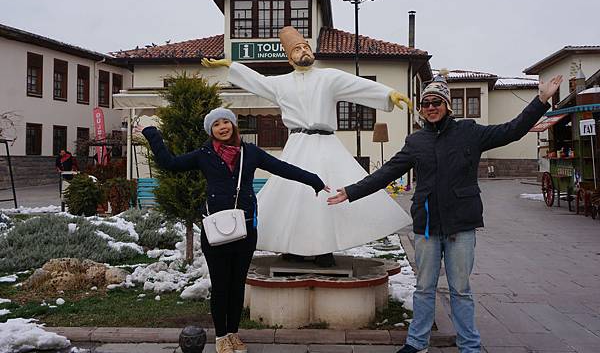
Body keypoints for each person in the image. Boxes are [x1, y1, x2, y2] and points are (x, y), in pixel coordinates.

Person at [327, 72, 563, 353]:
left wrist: (541, 100)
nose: (430, 107)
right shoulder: (416, 142)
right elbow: (387, 172)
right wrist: (351, 191)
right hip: (427, 225)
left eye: (436, 102)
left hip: (460, 226)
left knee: (460, 290)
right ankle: (417, 342)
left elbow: (511, 130)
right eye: (426, 103)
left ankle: (470, 346)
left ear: (447, 105)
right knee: (424, 287)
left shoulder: (470, 132)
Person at [202, 26, 413, 267]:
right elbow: (257, 81)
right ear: (289, 57)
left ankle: (324, 248)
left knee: (325, 196)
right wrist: (231, 66)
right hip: (298, 144)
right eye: (297, 49)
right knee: (294, 198)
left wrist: (389, 94)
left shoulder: (329, 77)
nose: (303, 51)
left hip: (325, 144)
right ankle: (293, 247)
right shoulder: (280, 84)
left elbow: (358, 85)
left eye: (305, 47)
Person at [138, 107, 329, 353]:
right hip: (216, 230)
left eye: (225, 122)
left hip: (246, 228)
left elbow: (282, 168)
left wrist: (314, 180)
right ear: (211, 131)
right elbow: (169, 163)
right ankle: (220, 337)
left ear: (233, 125)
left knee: (237, 284)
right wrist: (151, 133)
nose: (222, 127)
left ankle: (233, 334)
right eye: (216, 124)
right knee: (220, 285)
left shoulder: (250, 152)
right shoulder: (203, 154)